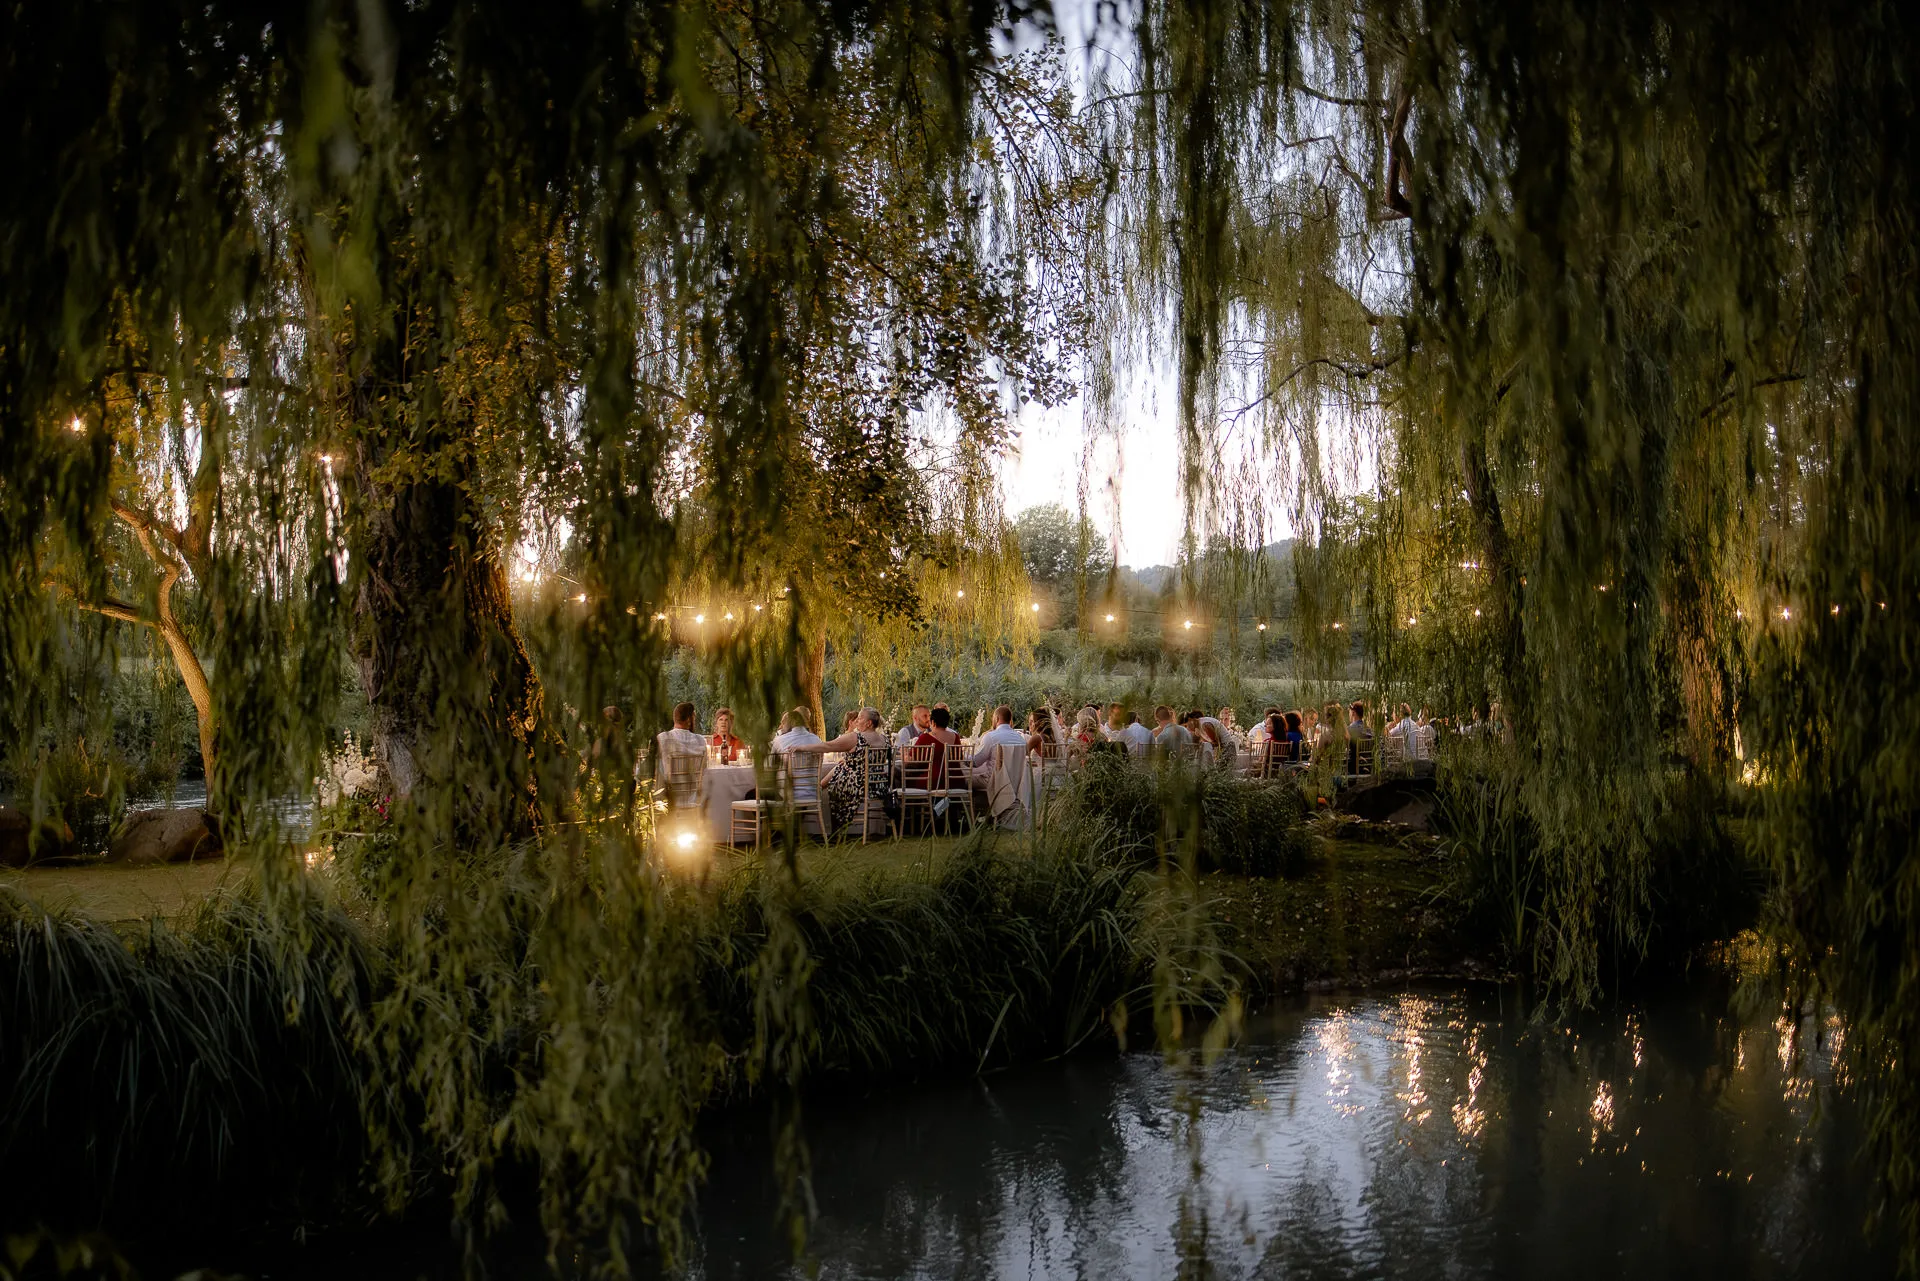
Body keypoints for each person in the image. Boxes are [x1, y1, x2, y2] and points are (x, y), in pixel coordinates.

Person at [820, 708, 891, 834]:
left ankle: (831, 829)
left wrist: (802, 747)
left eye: (860, 718)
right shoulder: (885, 739)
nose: (857, 721)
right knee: (839, 770)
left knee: (832, 785)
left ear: (869, 723)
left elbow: (828, 746)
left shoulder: (857, 737)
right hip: (880, 785)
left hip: (860, 785)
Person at [1346, 700, 1375, 774]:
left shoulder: (1349, 729)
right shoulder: (1370, 730)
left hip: (1354, 766)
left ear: (1353, 713)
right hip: (1369, 765)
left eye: (1349, 712)